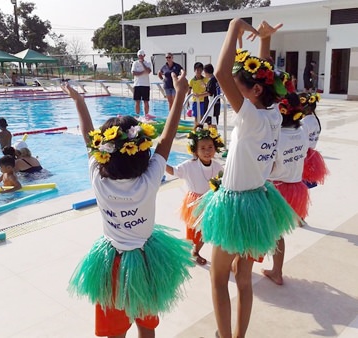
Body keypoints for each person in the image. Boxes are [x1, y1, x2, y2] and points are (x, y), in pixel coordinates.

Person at [63, 70, 194, 338]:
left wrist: (79, 102)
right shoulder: (149, 180)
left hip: (111, 263)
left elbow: (89, 139)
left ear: (103, 155)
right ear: (141, 153)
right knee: (146, 326)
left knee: (115, 330)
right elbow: (167, 139)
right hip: (146, 262)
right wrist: (180, 93)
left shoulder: (98, 179)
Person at [192, 19, 298, 338]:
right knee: (242, 277)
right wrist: (263, 42)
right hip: (259, 203)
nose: (231, 93)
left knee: (219, 277)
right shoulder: (274, 112)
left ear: (254, 91)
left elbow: (222, 74)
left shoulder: (251, 117)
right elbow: (264, 79)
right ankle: (238, 336)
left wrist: (234, 26)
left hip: (236, 206)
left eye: (239, 90)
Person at [262, 92, 310, 286]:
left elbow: (269, 166)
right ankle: (276, 271)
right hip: (295, 188)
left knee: (257, 229)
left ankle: (242, 265)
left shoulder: (276, 137)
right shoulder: (302, 131)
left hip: (275, 190)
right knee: (277, 232)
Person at [166, 124, 224, 265]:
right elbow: (173, 171)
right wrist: (160, 162)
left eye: (210, 147)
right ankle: (190, 250)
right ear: (195, 151)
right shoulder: (189, 165)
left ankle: (196, 251)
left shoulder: (217, 166)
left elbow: (222, 183)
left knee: (206, 230)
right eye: (202, 148)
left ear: (215, 147)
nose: (207, 151)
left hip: (210, 202)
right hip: (194, 202)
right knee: (192, 231)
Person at [299, 92, 328, 187]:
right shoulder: (315, 120)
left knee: (300, 182)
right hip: (311, 155)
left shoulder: (304, 122)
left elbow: (301, 140)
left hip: (303, 156)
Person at [131, 49, 153, 119]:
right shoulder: (135, 63)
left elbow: (148, 71)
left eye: (142, 55)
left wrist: (142, 64)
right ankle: (137, 116)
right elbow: (134, 73)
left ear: (144, 56)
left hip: (145, 85)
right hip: (137, 85)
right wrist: (143, 72)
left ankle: (146, 115)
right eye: (139, 55)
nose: (140, 57)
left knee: (146, 101)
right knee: (137, 101)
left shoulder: (147, 63)